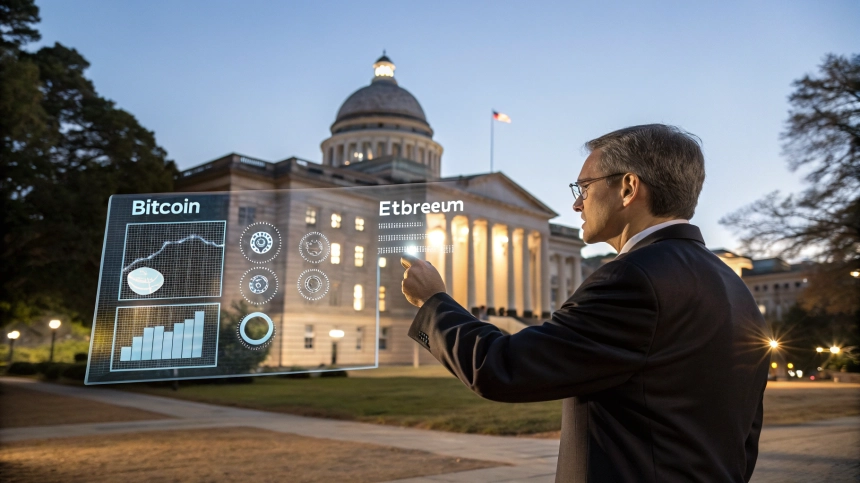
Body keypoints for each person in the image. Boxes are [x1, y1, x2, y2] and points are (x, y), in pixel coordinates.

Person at [400, 124, 770, 482]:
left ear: (628, 187)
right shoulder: (733, 288)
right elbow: (745, 434)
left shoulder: (633, 278)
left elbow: (503, 367)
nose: (577, 203)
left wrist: (433, 302)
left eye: (585, 187)